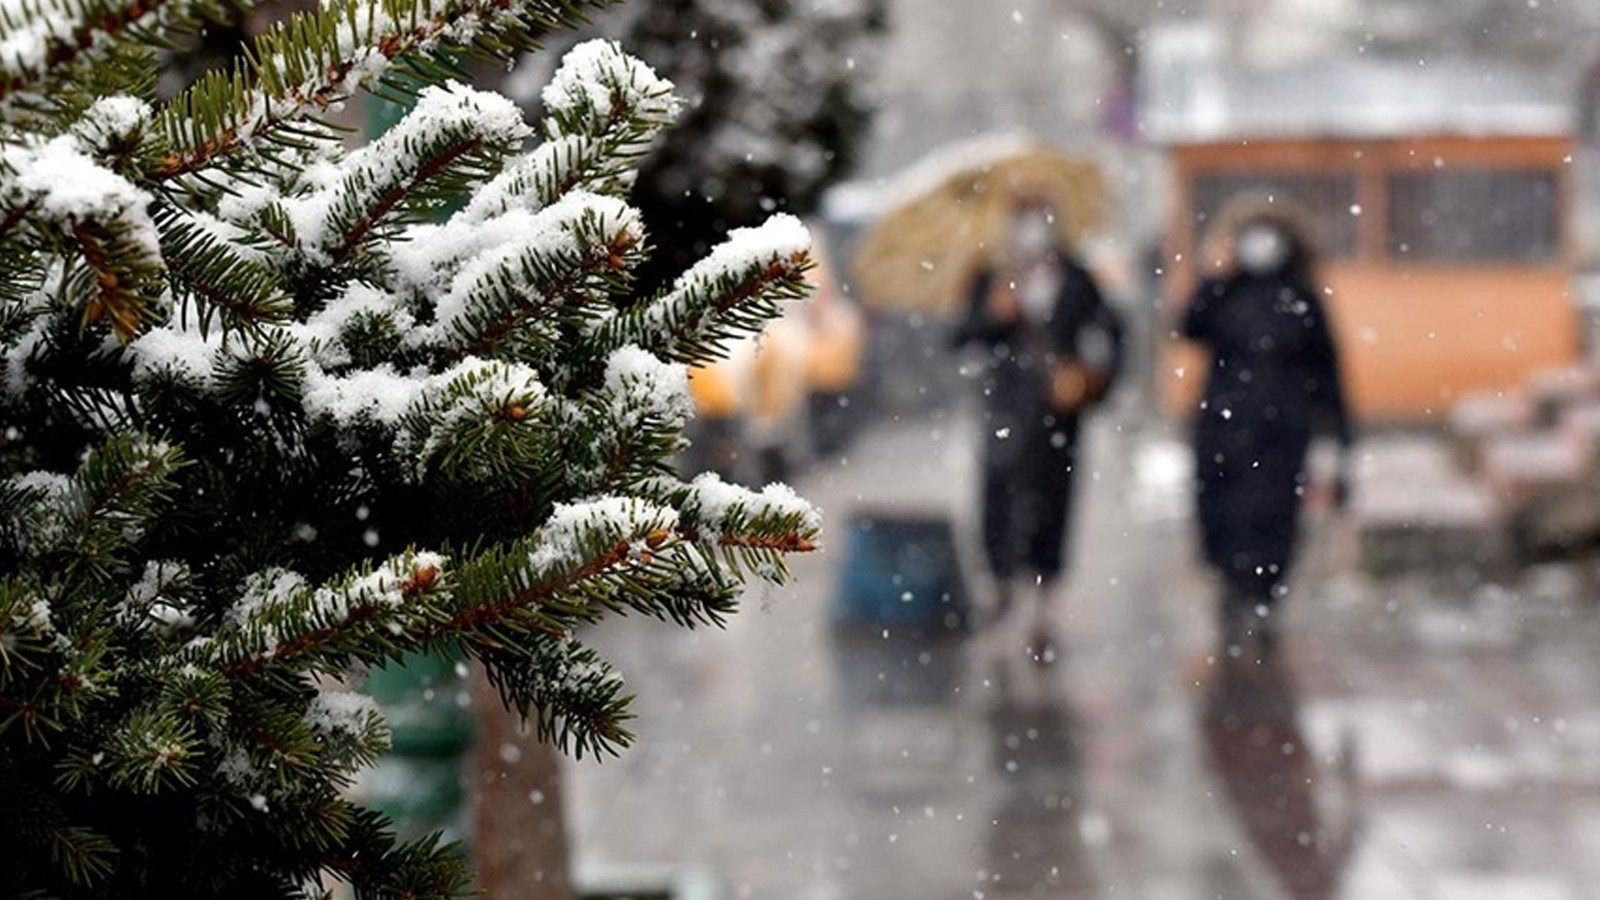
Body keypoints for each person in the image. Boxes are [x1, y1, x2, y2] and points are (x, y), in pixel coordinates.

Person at [953, 196, 1124, 661]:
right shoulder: (991, 276)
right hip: (1006, 410)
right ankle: (1002, 584)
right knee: (999, 496)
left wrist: (1089, 377)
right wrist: (995, 316)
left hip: (1059, 416)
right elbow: (963, 337)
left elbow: (1109, 333)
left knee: (1054, 502)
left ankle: (1044, 604)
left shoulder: (1077, 277)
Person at [1181, 208, 1352, 645]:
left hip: (1282, 429)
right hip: (1222, 424)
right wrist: (1213, 275)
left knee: (1274, 514)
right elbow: (1188, 325)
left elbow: (1327, 368)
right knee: (1220, 510)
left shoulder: (1301, 297)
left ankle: (1264, 595)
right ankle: (1231, 584)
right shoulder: (1225, 291)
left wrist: (1336, 432)